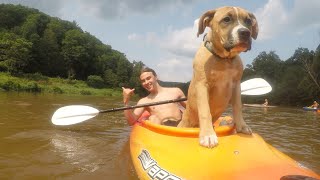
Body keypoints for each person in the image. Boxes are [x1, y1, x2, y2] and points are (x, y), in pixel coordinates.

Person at [122, 67, 186, 126]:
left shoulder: (176, 91)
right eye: (143, 81)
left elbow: (192, 109)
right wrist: (126, 101)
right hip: (160, 130)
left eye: (148, 78)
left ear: (156, 77)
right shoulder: (144, 101)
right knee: (153, 118)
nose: (146, 82)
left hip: (179, 127)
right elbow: (131, 121)